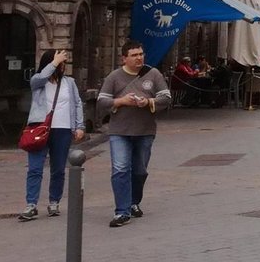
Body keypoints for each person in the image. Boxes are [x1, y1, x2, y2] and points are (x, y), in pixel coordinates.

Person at [97, 40, 170, 227]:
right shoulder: (114, 77)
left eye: (141, 54)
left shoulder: (153, 74)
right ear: (124, 58)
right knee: (120, 169)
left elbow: (166, 98)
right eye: (134, 55)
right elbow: (102, 101)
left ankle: (133, 201)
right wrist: (121, 101)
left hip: (145, 131)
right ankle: (122, 211)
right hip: (119, 131)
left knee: (139, 171)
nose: (139, 58)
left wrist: (148, 102)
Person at [19, 49, 86, 221]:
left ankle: (54, 201)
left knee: (58, 169)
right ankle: (31, 204)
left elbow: (77, 104)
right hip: (39, 129)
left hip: (62, 129)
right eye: (61, 62)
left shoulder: (69, 83)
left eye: (64, 62)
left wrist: (79, 126)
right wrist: (54, 62)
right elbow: (41, 77)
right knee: (35, 168)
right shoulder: (38, 81)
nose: (63, 66)